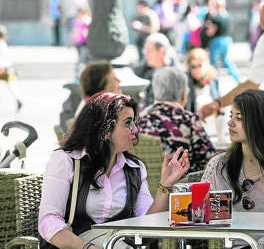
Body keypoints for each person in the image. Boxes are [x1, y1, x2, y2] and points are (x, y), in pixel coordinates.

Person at [38, 92, 190, 249]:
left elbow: (146, 225)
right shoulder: (66, 161)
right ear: (105, 130)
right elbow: (49, 220)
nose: (136, 129)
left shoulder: (134, 169)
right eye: (128, 123)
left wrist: (165, 186)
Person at [200, 89, 264, 246]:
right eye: (231, 116)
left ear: (261, 123)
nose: (230, 123)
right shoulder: (219, 166)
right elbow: (201, 218)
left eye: (239, 118)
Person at [137, 66, 214, 173]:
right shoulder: (189, 120)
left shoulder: (138, 118)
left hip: (142, 186)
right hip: (179, 187)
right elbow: (209, 161)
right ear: (183, 95)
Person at [133, 32, 180, 108]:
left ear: (162, 51)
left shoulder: (179, 75)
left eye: (149, 51)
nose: (145, 54)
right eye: (145, 50)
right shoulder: (141, 72)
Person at [207, 0, 241, 84]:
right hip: (227, 40)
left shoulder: (215, 17)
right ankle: (238, 78)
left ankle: (213, 83)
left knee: (213, 63)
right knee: (227, 60)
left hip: (217, 41)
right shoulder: (228, 16)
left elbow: (211, 31)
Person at [0, 25, 23, 111]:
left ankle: (18, 100)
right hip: (7, 68)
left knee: (10, 85)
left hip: (2, 68)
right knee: (11, 85)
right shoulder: (4, 44)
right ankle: (18, 99)